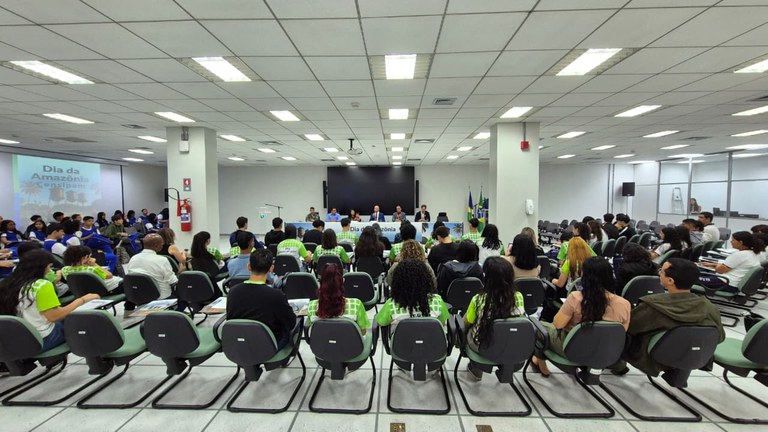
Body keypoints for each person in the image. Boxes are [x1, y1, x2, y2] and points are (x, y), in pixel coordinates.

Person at [621, 258, 724, 376]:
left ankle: (617, 366)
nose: (659, 272)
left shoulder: (653, 305)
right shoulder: (709, 307)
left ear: (670, 280)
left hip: (650, 356)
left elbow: (629, 328)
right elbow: (720, 337)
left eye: (662, 271)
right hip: (692, 355)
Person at [531, 257, 631, 376]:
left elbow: (557, 324)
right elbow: (621, 332)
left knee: (535, 325)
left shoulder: (576, 298)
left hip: (573, 349)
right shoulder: (625, 304)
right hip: (603, 350)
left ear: (585, 277)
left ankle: (540, 363)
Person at [0, 250, 100, 351]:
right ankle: (98, 360)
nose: (50, 271)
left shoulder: (8, 284)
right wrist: (82, 300)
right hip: (43, 338)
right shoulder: (42, 285)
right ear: (39, 268)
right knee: (86, 323)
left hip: (17, 338)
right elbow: (55, 316)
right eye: (49, 267)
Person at [464, 256, 526, 379]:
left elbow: (467, 322)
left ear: (487, 278)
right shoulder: (518, 297)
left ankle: (476, 368)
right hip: (509, 344)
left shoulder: (478, 299)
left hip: (482, 345)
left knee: (464, 326)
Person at [226, 249, 296, 350]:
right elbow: (291, 322)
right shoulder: (276, 295)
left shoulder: (233, 292)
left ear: (249, 267)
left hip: (240, 343)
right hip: (269, 345)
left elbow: (230, 318)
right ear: (271, 268)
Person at [375, 259, 450, 330]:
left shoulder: (392, 304)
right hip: (432, 342)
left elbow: (381, 323)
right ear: (426, 280)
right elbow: (441, 323)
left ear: (398, 282)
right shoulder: (437, 301)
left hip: (402, 342)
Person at [307, 264, 370, 334]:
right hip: (349, 344)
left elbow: (312, 331)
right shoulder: (356, 305)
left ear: (321, 283)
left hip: (322, 344)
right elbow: (363, 332)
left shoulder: (311, 306)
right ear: (343, 281)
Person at [699, 231, 763, 293]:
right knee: (698, 274)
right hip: (733, 284)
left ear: (740, 242)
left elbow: (720, 270)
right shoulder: (754, 253)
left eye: (733, 240)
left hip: (725, 283)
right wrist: (713, 264)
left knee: (691, 278)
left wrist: (717, 266)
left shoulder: (739, 255)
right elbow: (735, 266)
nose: (731, 242)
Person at [124, 234, 178, 300]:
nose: (162, 245)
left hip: (140, 296)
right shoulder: (162, 260)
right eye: (161, 244)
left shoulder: (133, 258)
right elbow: (172, 281)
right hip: (162, 297)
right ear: (156, 245)